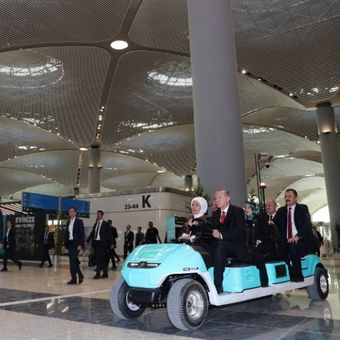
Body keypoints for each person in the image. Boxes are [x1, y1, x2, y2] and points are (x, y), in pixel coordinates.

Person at [211, 189, 247, 294]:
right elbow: (213, 230)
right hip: (220, 245)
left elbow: (239, 231)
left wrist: (221, 235)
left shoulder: (238, 211)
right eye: (216, 198)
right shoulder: (215, 214)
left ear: (228, 199)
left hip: (235, 246)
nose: (217, 200)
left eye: (219, 197)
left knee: (220, 246)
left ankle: (217, 285)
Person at [274, 189, 314, 282]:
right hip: (286, 241)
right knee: (279, 249)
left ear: (296, 198)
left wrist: (297, 236)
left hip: (301, 240)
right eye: (286, 196)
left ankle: (298, 276)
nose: (287, 198)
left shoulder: (303, 208)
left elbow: (307, 225)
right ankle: (290, 273)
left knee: (293, 247)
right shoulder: (281, 211)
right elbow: (274, 223)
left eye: (289, 196)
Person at [248, 199, 281, 287]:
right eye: (266, 205)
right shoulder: (261, 218)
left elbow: (275, 233)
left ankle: (264, 279)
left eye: (269, 205)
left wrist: (273, 225)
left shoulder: (280, 216)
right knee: (254, 251)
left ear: (275, 206)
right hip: (262, 243)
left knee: (257, 251)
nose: (267, 207)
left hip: (273, 243)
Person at [86, 210, 111, 279]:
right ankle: (105, 273)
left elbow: (109, 234)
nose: (98, 215)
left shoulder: (106, 224)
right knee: (101, 259)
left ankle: (98, 274)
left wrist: (111, 243)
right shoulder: (95, 224)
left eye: (99, 214)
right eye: (97, 214)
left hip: (102, 243)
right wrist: (87, 241)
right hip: (95, 243)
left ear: (102, 215)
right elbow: (92, 233)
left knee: (98, 258)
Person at [64, 207, 85, 285]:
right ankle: (74, 278)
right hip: (69, 243)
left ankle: (80, 275)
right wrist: (65, 243)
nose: (71, 213)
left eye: (72, 211)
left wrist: (80, 244)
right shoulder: (68, 221)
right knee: (72, 261)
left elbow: (82, 233)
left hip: (76, 244)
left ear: (76, 212)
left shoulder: (79, 221)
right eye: (70, 212)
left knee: (73, 261)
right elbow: (67, 233)